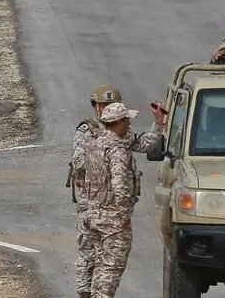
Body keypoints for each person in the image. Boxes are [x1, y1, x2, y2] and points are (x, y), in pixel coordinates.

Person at [69, 85, 165, 298]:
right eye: (103, 105)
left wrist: (158, 124)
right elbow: (80, 165)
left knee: (103, 264)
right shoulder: (90, 133)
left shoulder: (118, 137)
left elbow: (145, 144)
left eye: (110, 105)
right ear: (96, 107)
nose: (104, 109)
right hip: (94, 205)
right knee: (95, 259)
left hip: (101, 209)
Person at [80, 102, 143, 298]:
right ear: (120, 122)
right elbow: (119, 184)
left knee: (100, 264)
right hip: (112, 220)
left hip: (94, 215)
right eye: (127, 121)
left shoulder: (93, 144)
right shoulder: (117, 149)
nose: (129, 125)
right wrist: (123, 215)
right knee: (111, 268)